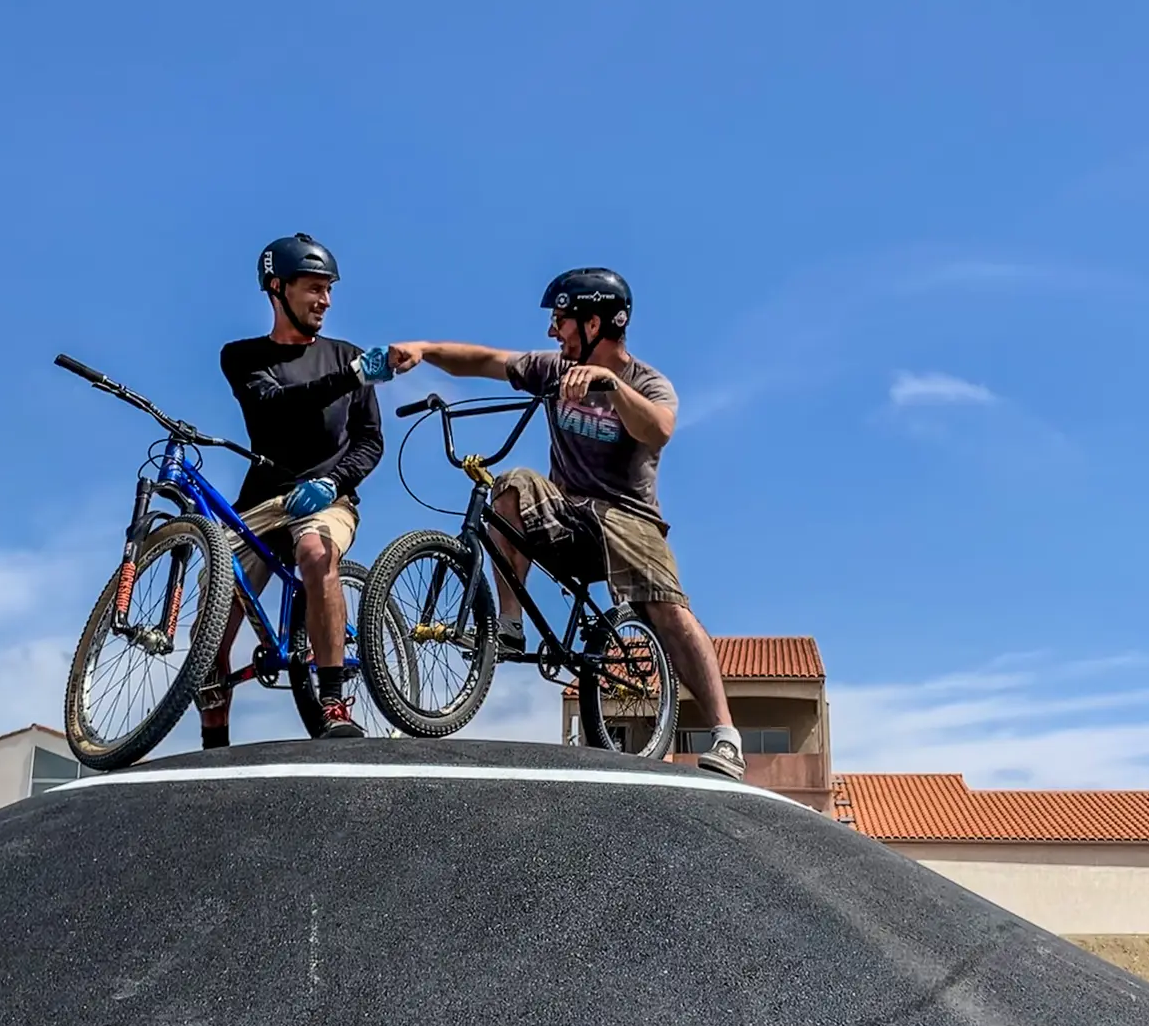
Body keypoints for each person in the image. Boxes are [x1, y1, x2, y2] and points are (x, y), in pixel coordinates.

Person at [381, 268, 747, 780]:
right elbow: (487, 361)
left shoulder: (646, 382)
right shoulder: (552, 370)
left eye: (561, 321)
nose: (553, 332)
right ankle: (508, 625)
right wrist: (425, 347)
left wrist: (610, 386)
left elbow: (658, 429)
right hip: (567, 513)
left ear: (593, 322)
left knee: (669, 613)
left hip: (628, 519)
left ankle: (726, 736)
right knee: (510, 485)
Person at [196, 232, 389, 745]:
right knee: (212, 606)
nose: (325, 300)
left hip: (328, 498)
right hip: (261, 504)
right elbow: (277, 407)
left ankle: (332, 700)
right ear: (277, 288)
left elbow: (370, 443)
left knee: (314, 548)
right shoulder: (241, 357)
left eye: (329, 290)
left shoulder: (345, 354)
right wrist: (350, 377)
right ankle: (214, 732)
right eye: (313, 288)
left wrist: (333, 481)